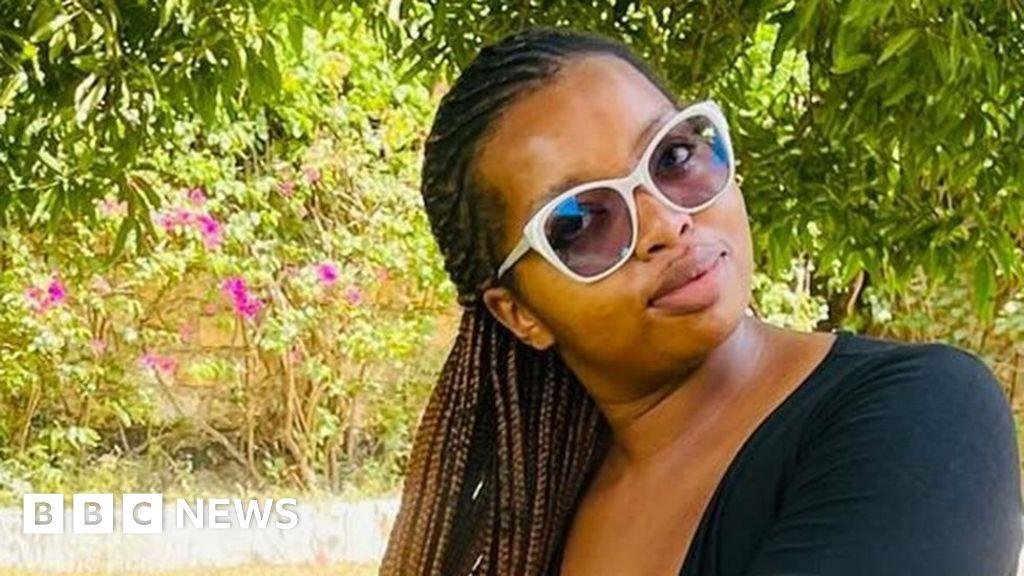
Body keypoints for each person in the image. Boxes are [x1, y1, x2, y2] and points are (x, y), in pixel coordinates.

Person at [379, 26, 1023, 576]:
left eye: (674, 155)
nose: (666, 223)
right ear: (519, 313)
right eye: (580, 222)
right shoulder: (539, 516)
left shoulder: (918, 416)